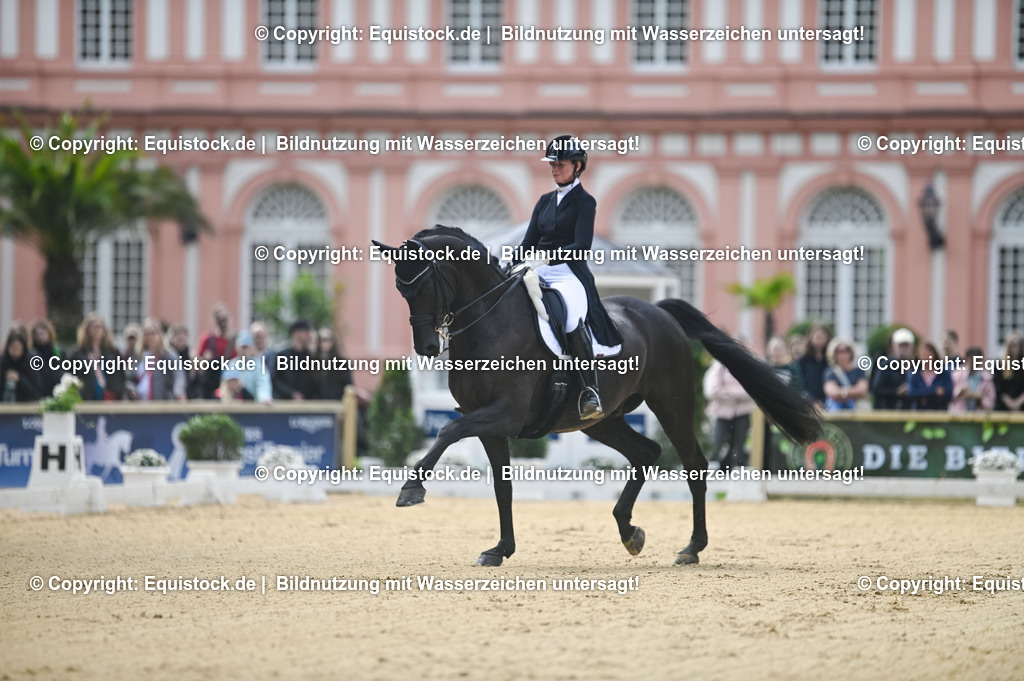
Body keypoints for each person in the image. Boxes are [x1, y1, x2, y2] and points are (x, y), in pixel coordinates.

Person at [517, 134, 623, 420]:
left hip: (568, 273)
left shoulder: (584, 202)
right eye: (552, 164)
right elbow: (528, 242)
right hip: (538, 269)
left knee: (570, 316)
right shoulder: (544, 201)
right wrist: (512, 263)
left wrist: (550, 257)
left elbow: (581, 246)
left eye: (560, 164)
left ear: (577, 166)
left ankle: (590, 391)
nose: (554, 169)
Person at [703, 358, 755, 470]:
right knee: (717, 446)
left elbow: (750, 390)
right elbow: (714, 390)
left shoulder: (745, 365)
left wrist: (728, 390)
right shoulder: (719, 366)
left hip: (742, 413)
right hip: (722, 414)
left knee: (738, 450)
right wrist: (737, 394)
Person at [70, 312, 126, 400]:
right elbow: (72, 377)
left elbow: (120, 377)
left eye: (99, 326)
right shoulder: (78, 354)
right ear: (87, 330)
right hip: (86, 400)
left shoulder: (113, 352)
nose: (97, 330)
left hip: (109, 400)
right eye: (93, 327)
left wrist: (115, 392)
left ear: (104, 331)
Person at [127, 318, 186, 401]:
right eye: (146, 334)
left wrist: (179, 392)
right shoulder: (139, 356)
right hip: (141, 404)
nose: (150, 337)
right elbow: (130, 379)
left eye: (153, 333)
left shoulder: (168, 355)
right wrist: (132, 389)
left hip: (163, 403)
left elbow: (178, 375)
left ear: (160, 335)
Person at [196, 303, 235, 399]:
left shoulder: (235, 341)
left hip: (229, 384)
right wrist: (204, 360)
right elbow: (197, 365)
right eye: (219, 320)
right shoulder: (207, 339)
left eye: (224, 319)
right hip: (210, 385)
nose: (222, 322)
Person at [272, 319, 318, 400]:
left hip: (309, 403)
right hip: (286, 403)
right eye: (306, 332)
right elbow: (276, 381)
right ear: (296, 333)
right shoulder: (283, 356)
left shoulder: (312, 357)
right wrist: (291, 393)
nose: (308, 336)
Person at [221, 331, 272, 403]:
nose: (244, 351)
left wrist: (264, 399)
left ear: (251, 348)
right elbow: (226, 387)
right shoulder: (231, 364)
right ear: (237, 348)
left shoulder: (259, 365)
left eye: (246, 347)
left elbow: (263, 385)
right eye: (242, 347)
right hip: (235, 407)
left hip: (254, 408)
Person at [872, 327, 915, 410]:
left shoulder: (916, 365)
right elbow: (877, 389)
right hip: (889, 411)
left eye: (906, 345)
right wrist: (896, 391)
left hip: (909, 410)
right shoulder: (886, 365)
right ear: (894, 346)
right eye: (901, 345)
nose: (903, 348)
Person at [822, 337, 869, 411]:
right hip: (837, 411)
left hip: (856, 410)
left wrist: (842, 393)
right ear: (834, 354)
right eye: (839, 351)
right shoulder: (830, 372)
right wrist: (853, 392)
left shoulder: (859, 371)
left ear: (851, 352)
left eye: (847, 350)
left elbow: (862, 390)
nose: (843, 354)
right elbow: (832, 392)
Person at [907, 341, 953, 410]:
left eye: (929, 354)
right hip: (919, 413)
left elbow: (949, 393)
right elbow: (912, 393)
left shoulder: (944, 373)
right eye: (923, 354)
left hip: (939, 412)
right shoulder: (914, 374)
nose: (926, 357)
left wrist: (924, 394)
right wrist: (934, 392)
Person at [949, 346, 995, 412]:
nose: (974, 362)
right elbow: (949, 395)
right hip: (959, 416)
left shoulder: (987, 378)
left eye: (977, 360)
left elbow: (991, 401)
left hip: (979, 416)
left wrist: (980, 399)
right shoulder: (956, 375)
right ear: (966, 359)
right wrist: (960, 391)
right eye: (971, 359)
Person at [1, 331, 43, 403]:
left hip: (24, 405)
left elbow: (35, 390)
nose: (16, 352)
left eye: (19, 349)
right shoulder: (2, 361)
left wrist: (19, 379)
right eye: (13, 348)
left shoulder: (30, 363)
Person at [796, 323, 831, 407]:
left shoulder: (830, 360)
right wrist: (813, 401)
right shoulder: (803, 361)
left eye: (822, 337)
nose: (819, 340)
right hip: (809, 401)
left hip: (828, 401)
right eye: (817, 337)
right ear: (811, 338)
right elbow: (801, 383)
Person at [315, 327, 354, 401]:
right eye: (320, 340)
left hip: (337, 404)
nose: (323, 343)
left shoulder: (342, 362)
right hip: (318, 405)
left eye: (326, 340)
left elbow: (348, 385)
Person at [29, 318, 62, 396]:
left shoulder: (57, 351)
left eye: (42, 333)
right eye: (37, 334)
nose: (40, 337)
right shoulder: (31, 353)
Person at [166, 324, 200, 399]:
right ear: (172, 339)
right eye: (178, 340)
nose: (180, 343)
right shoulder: (168, 355)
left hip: (189, 395)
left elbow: (195, 378)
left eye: (183, 339)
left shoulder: (191, 354)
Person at [993, 332, 1024, 412]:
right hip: (1002, 407)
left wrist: (1017, 403)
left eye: (1016, 345)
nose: (1014, 349)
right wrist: (1009, 403)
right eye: (1011, 345)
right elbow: (997, 386)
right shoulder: (999, 364)